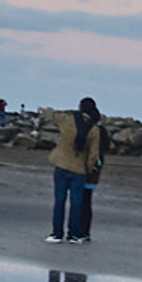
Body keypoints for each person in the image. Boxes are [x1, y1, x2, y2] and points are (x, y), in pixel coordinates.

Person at [47, 97, 107, 244]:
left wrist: (43, 110)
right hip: (80, 170)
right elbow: (94, 155)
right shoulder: (94, 129)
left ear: (80, 107)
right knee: (77, 203)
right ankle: (74, 234)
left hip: (62, 166)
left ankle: (56, 234)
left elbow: (53, 115)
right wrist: (87, 169)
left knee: (59, 201)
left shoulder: (68, 120)